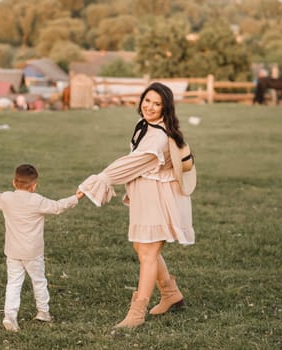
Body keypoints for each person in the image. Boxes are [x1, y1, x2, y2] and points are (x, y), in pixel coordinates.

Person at [78, 82, 196, 328]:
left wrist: (101, 179)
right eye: (147, 100)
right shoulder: (146, 126)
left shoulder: (158, 138)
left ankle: (137, 313)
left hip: (159, 199)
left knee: (148, 253)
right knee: (142, 248)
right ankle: (171, 294)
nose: (150, 107)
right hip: (147, 195)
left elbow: (130, 164)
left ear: (166, 108)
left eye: (157, 104)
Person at [0, 164, 84, 332]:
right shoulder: (38, 201)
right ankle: (43, 312)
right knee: (39, 280)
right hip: (33, 253)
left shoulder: (6, 198)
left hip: (13, 251)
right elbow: (58, 206)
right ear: (34, 185)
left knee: (13, 283)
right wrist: (77, 197)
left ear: (14, 182)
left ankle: (10, 316)